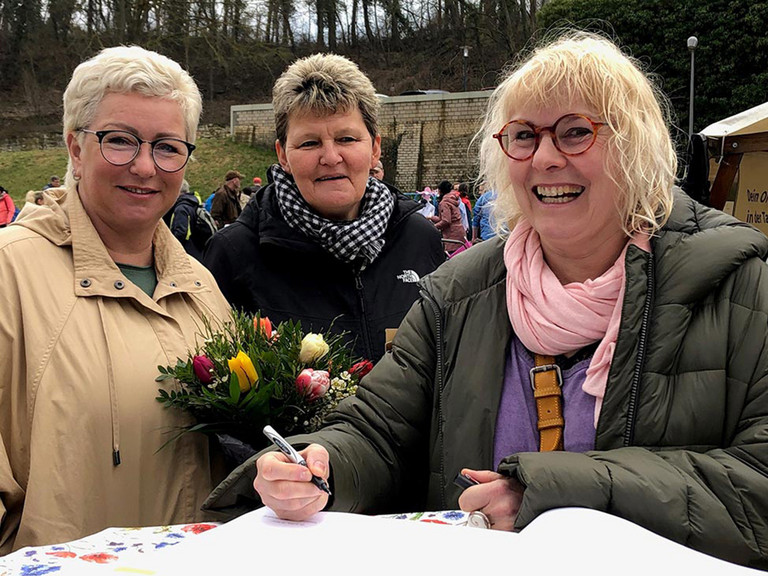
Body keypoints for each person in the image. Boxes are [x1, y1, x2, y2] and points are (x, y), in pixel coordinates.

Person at [204, 32, 768, 569]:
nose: (545, 158)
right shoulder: (460, 290)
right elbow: (378, 430)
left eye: (575, 132)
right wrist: (325, 464)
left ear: (635, 143)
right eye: (524, 135)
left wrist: (556, 491)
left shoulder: (742, 286)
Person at [0, 45, 232, 554]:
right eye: (120, 141)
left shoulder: (202, 288)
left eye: (168, 147)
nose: (145, 167)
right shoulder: (9, 273)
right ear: (75, 149)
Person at [203, 53, 444, 363]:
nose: (330, 157)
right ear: (283, 155)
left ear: (374, 149)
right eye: (309, 143)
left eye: (346, 138)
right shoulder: (234, 254)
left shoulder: (419, 239)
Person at [164, 179, 205, 261]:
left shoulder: (181, 208)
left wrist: (171, 248)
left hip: (186, 251)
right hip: (198, 249)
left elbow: (181, 232)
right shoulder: (193, 203)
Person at [430, 179, 467, 254]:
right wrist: (431, 217)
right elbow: (446, 218)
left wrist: (433, 227)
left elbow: (446, 220)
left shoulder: (444, 203)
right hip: (459, 232)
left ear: (440, 190)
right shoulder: (452, 199)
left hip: (452, 235)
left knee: (453, 258)